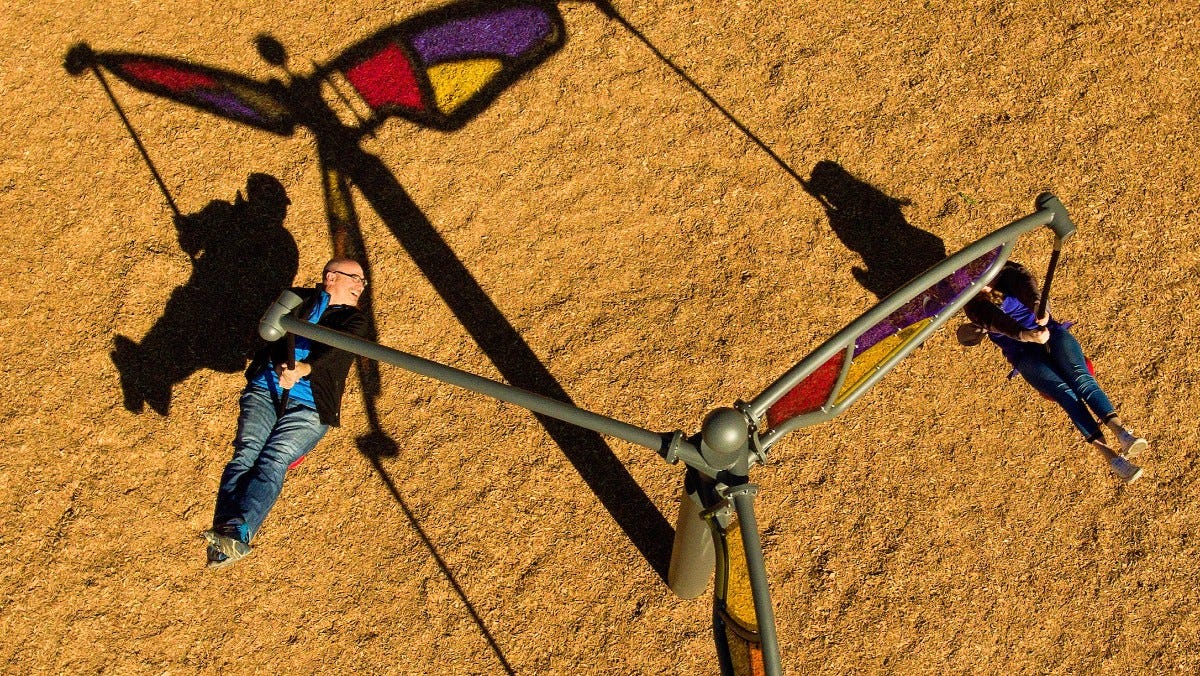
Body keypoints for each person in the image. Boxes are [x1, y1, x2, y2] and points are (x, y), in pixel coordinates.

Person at [204, 257, 370, 567]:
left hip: (311, 406)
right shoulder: (296, 299)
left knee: (273, 460)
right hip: (266, 388)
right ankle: (230, 535)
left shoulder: (354, 320)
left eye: (362, 281)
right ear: (331, 277)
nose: (361, 285)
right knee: (246, 453)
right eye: (355, 278)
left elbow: (336, 351)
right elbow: (272, 332)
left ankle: (230, 535)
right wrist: (283, 366)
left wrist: (304, 369)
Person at [960, 260, 1148, 483]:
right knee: (1067, 396)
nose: (983, 280)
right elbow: (997, 322)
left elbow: (1028, 288)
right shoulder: (973, 305)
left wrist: (1041, 310)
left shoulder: (1009, 274)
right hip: (1023, 353)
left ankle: (1122, 434)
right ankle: (1114, 460)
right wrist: (1025, 335)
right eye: (975, 279)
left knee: (1082, 380)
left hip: (1052, 333)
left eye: (983, 273)